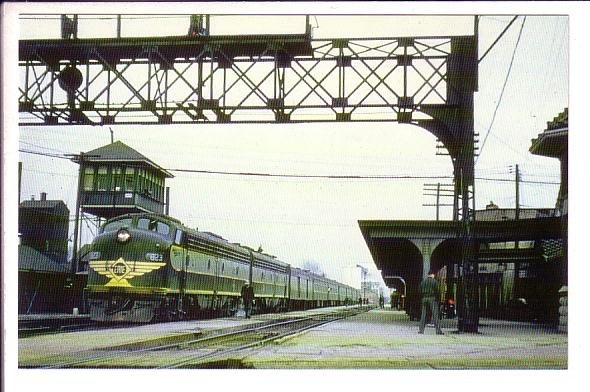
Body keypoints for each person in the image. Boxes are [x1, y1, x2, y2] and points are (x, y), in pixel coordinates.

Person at [419, 270, 444, 335]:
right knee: (435, 315)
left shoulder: (423, 282)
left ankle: (421, 330)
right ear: (433, 274)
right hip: (432, 299)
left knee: (423, 315)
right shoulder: (434, 281)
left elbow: (419, 290)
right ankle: (438, 331)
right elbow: (438, 291)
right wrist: (438, 299)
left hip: (424, 299)